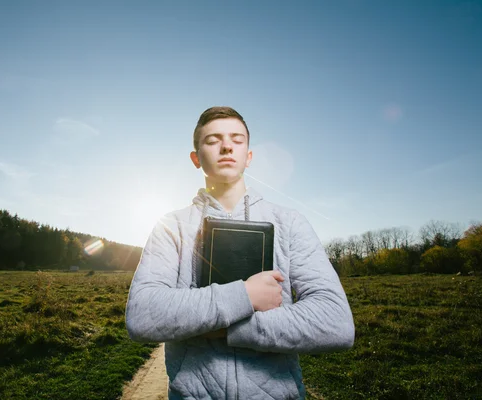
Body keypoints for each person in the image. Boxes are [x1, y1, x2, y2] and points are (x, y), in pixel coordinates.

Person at [125, 106, 355, 399]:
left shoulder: (289, 222)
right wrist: (245, 295)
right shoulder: (172, 227)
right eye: (212, 140)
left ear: (248, 156)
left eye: (236, 139)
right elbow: (143, 315)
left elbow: (335, 322)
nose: (225, 146)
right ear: (196, 158)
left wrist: (223, 329)